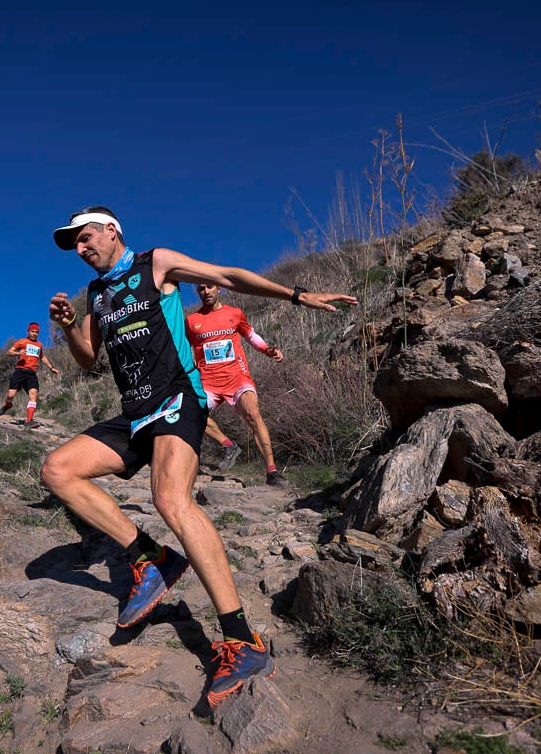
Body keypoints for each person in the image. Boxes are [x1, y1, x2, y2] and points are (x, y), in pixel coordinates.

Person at [41, 205, 357, 709]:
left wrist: (298, 295)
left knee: (170, 498)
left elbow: (226, 275)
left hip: (176, 397)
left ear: (111, 230)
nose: (80, 249)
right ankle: (152, 558)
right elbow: (88, 360)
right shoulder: (97, 295)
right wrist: (71, 327)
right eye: (73, 244)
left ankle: (241, 642)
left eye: (85, 237)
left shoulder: (156, 264)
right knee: (57, 469)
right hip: (134, 412)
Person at [187, 283, 290, 487]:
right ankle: (229, 445)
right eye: (200, 289)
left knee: (252, 414)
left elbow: (251, 336)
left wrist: (268, 350)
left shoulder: (235, 313)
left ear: (219, 289)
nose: (205, 292)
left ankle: (272, 472)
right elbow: (181, 349)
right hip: (208, 382)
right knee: (190, 414)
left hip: (237, 378)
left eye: (209, 287)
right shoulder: (192, 321)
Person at [0, 322, 60, 429]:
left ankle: (28, 421)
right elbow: (9, 352)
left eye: (36, 332)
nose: (34, 334)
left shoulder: (39, 345)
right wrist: (18, 353)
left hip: (32, 374)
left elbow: (42, 357)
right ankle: (8, 405)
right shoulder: (22, 341)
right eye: (32, 331)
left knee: (33, 394)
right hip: (20, 372)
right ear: (28, 332)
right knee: (10, 395)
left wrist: (51, 368)